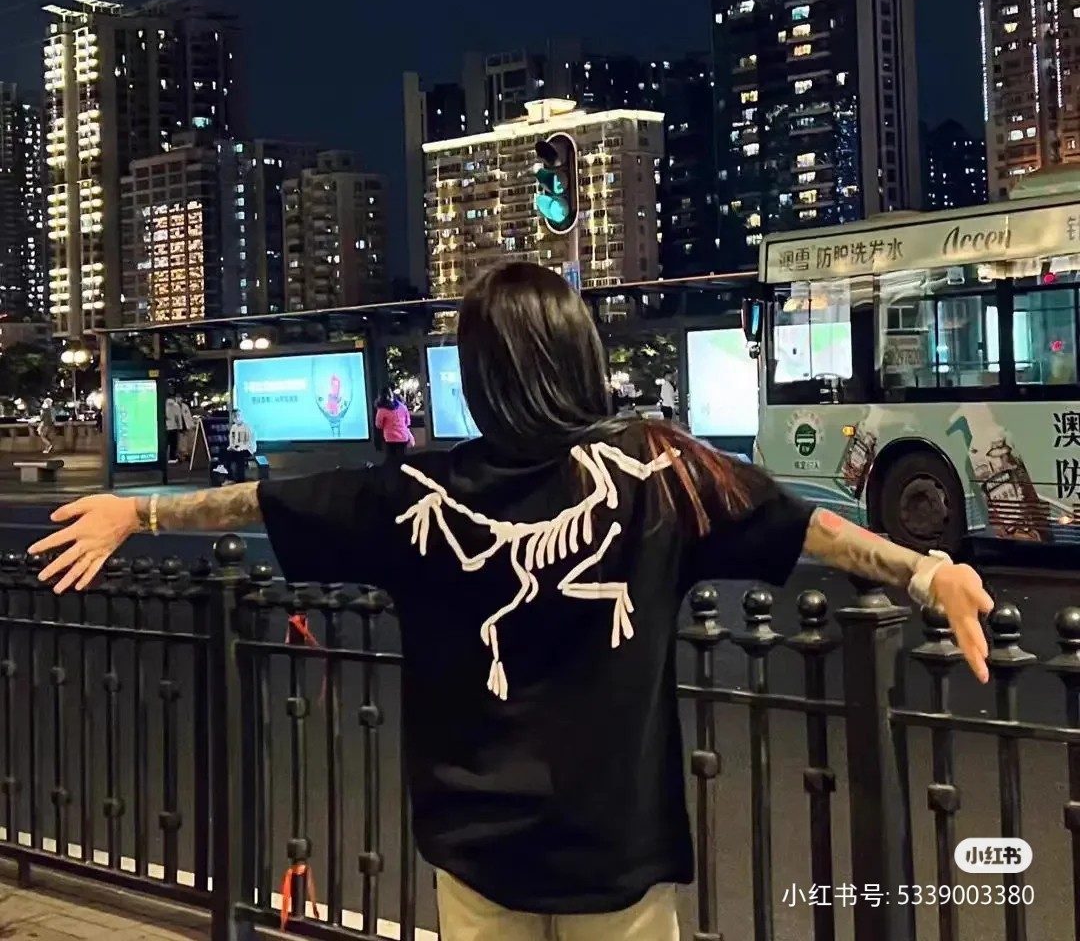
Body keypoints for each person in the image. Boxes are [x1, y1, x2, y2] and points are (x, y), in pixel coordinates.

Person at [30, 262, 993, 941]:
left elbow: (265, 501)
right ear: (579, 357)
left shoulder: (418, 492)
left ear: (482, 377)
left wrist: (141, 513)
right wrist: (925, 571)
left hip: (477, 847)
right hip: (616, 851)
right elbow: (803, 527)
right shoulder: (661, 470)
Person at [374, 386, 413, 462]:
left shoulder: (382, 409)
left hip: (390, 438)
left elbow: (378, 425)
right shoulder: (402, 407)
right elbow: (407, 422)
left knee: (391, 460)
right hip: (403, 437)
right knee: (402, 459)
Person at [224, 409, 256, 484]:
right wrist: (231, 447)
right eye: (234, 416)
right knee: (225, 455)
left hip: (248, 449)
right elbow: (232, 439)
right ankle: (229, 477)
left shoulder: (247, 427)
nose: (236, 418)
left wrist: (240, 448)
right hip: (236, 448)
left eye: (237, 415)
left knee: (239, 456)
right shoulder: (233, 427)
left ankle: (240, 479)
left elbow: (250, 442)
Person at [165, 391, 184, 463]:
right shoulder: (175, 405)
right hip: (173, 427)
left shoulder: (163, 405)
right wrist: (180, 427)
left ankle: (163, 458)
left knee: (165, 443)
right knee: (173, 444)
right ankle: (172, 458)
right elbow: (177, 417)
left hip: (165, 427)